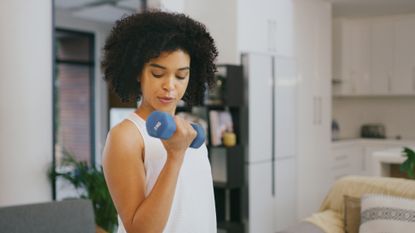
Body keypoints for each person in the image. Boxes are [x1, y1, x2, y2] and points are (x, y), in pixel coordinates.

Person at [101, 10, 218, 233]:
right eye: (157, 74)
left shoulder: (188, 132)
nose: (170, 86)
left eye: (181, 75)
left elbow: (197, 209)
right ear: (138, 72)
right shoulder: (126, 137)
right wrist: (174, 157)